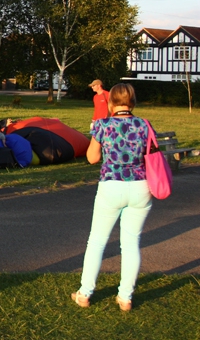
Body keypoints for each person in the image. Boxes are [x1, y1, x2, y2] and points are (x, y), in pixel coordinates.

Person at [72, 83, 152, 312]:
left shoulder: (103, 125)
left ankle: (85, 293)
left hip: (112, 184)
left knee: (97, 241)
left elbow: (92, 158)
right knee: (131, 243)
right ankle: (125, 297)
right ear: (133, 102)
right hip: (140, 185)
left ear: (110, 103)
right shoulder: (144, 125)